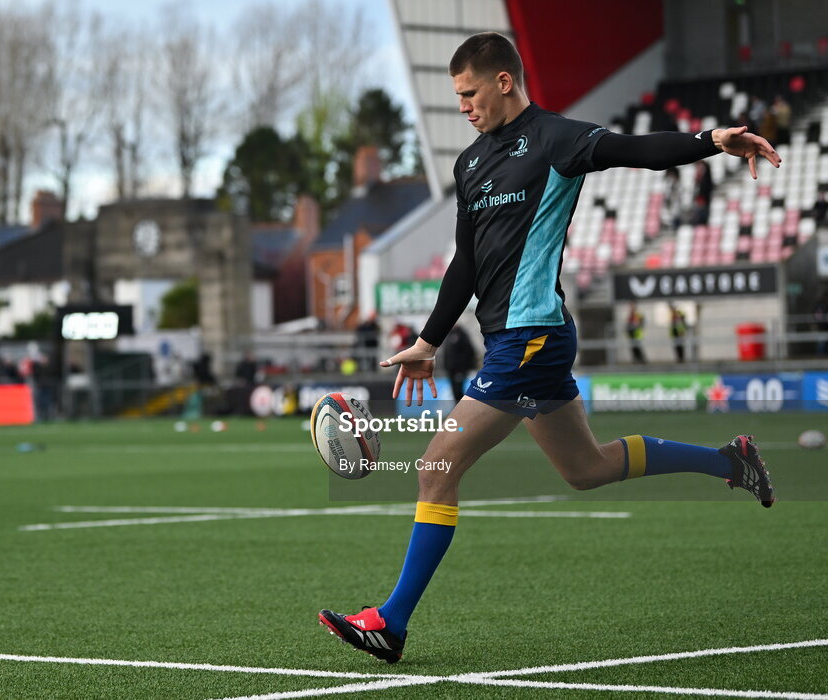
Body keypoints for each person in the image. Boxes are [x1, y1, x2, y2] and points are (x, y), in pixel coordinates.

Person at [317, 32, 779, 664]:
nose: (464, 106)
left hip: (533, 338)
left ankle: (391, 622)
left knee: (434, 467)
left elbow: (635, 151)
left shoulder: (557, 139)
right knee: (585, 469)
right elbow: (466, 264)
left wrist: (711, 141)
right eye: (457, 97)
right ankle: (731, 463)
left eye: (469, 92)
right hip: (512, 340)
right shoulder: (471, 164)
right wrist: (428, 339)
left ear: (504, 81)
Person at [442, 325, 477, 402]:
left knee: (458, 389)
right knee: (454, 390)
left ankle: (463, 409)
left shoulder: (462, 334)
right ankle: (458, 409)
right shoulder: (449, 334)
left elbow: (469, 351)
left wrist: (462, 366)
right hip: (450, 369)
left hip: (460, 369)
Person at [692, 160, 713, 225]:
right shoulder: (698, 181)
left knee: (701, 222)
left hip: (703, 203)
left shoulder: (706, 180)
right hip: (700, 203)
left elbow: (705, 191)